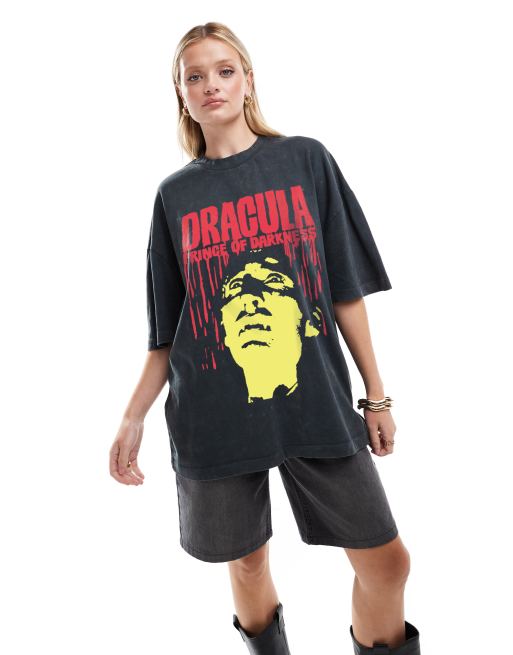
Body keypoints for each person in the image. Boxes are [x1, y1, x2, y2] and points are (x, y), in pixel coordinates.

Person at [109, 21, 422, 655]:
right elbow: (167, 333)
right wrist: (132, 417)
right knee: (248, 564)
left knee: (387, 562)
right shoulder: (175, 196)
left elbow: (344, 291)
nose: (211, 84)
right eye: (195, 76)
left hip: (317, 404)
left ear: (248, 81)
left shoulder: (305, 160)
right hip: (215, 415)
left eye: (224, 71)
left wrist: (376, 394)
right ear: (181, 94)